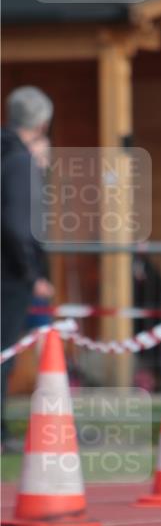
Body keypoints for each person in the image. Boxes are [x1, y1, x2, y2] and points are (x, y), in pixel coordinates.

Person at [1, 86, 55, 452]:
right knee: (4, 353)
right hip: (8, 276)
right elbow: (18, 225)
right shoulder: (19, 161)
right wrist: (33, 274)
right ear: (42, 123)